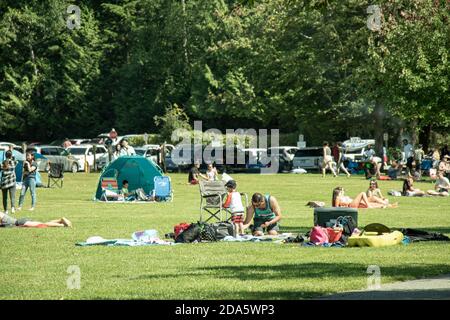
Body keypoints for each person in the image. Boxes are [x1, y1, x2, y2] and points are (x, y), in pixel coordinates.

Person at [0, 211, 72, 228]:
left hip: (20, 222)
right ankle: (60, 220)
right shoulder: (2, 215)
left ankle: (62, 225)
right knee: (43, 223)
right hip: (21, 221)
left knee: (42, 225)